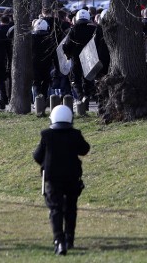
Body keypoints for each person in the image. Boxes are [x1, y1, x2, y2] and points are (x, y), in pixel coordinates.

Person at [33, 105, 91, 256]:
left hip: (53, 178)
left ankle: (59, 240)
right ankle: (69, 239)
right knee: (71, 208)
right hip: (72, 177)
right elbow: (85, 149)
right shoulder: (75, 134)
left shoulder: (46, 135)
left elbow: (37, 156)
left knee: (55, 209)